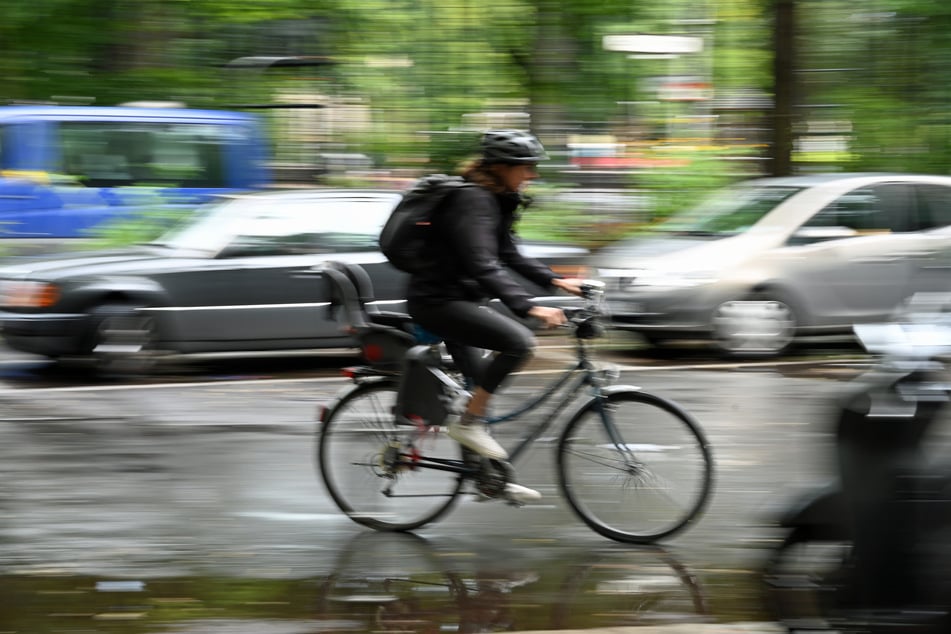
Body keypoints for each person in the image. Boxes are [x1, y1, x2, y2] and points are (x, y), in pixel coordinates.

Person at [406, 129, 584, 502]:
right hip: (438, 302)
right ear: (501, 167)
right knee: (519, 343)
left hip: (460, 299)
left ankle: (487, 480)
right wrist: (528, 306)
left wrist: (556, 280)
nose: (532, 174)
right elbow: (483, 263)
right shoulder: (473, 201)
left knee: (479, 385)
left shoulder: (495, 198)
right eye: (525, 167)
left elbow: (510, 255)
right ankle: (469, 426)